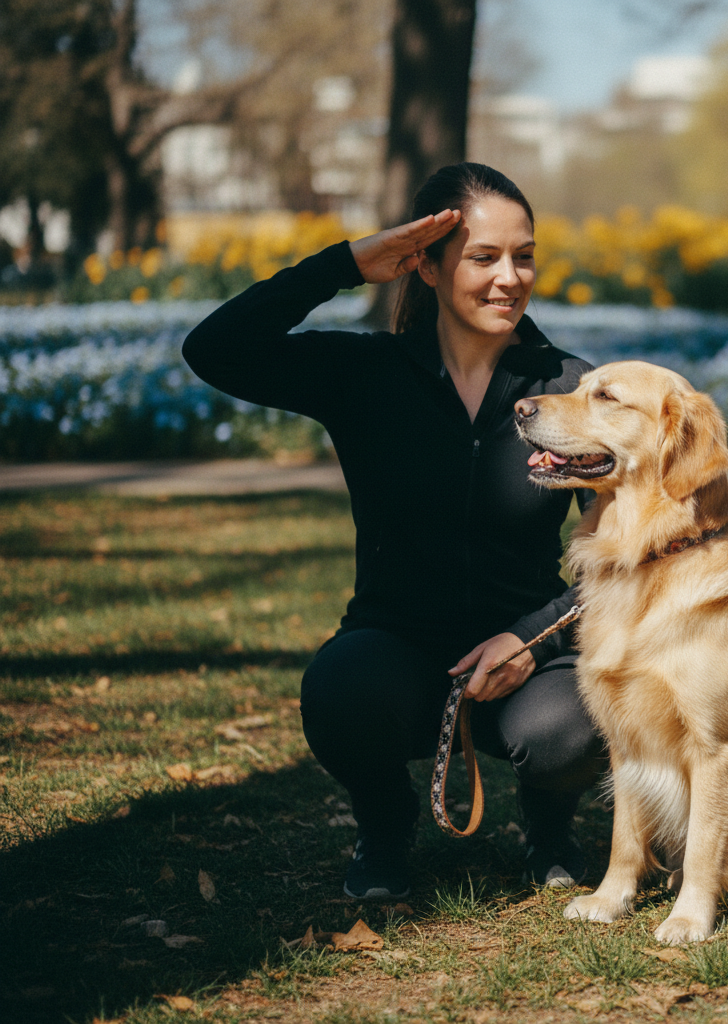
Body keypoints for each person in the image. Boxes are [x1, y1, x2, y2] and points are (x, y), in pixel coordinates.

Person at [182, 162, 605, 900]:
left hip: (528, 662)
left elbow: (630, 554)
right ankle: (384, 825)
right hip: (396, 647)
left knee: (579, 723)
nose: (510, 277)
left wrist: (535, 637)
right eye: (484, 257)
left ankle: (549, 828)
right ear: (430, 267)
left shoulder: (569, 387)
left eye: (524, 255)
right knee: (338, 692)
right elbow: (214, 350)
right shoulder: (366, 373)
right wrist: (344, 265)